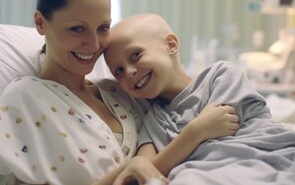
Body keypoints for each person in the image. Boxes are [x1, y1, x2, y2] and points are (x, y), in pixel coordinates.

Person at [0, 0, 237, 185]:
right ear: (40, 23)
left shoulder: (120, 92)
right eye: (77, 30)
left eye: (103, 27)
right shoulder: (24, 99)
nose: (94, 45)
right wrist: (132, 167)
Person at [104, 13, 295, 184]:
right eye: (119, 71)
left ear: (171, 45)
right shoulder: (153, 120)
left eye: (136, 55)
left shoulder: (220, 75)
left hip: (267, 158)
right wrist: (196, 131)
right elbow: (147, 169)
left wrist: (183, 146)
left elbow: (224, 139)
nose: (129, 72)